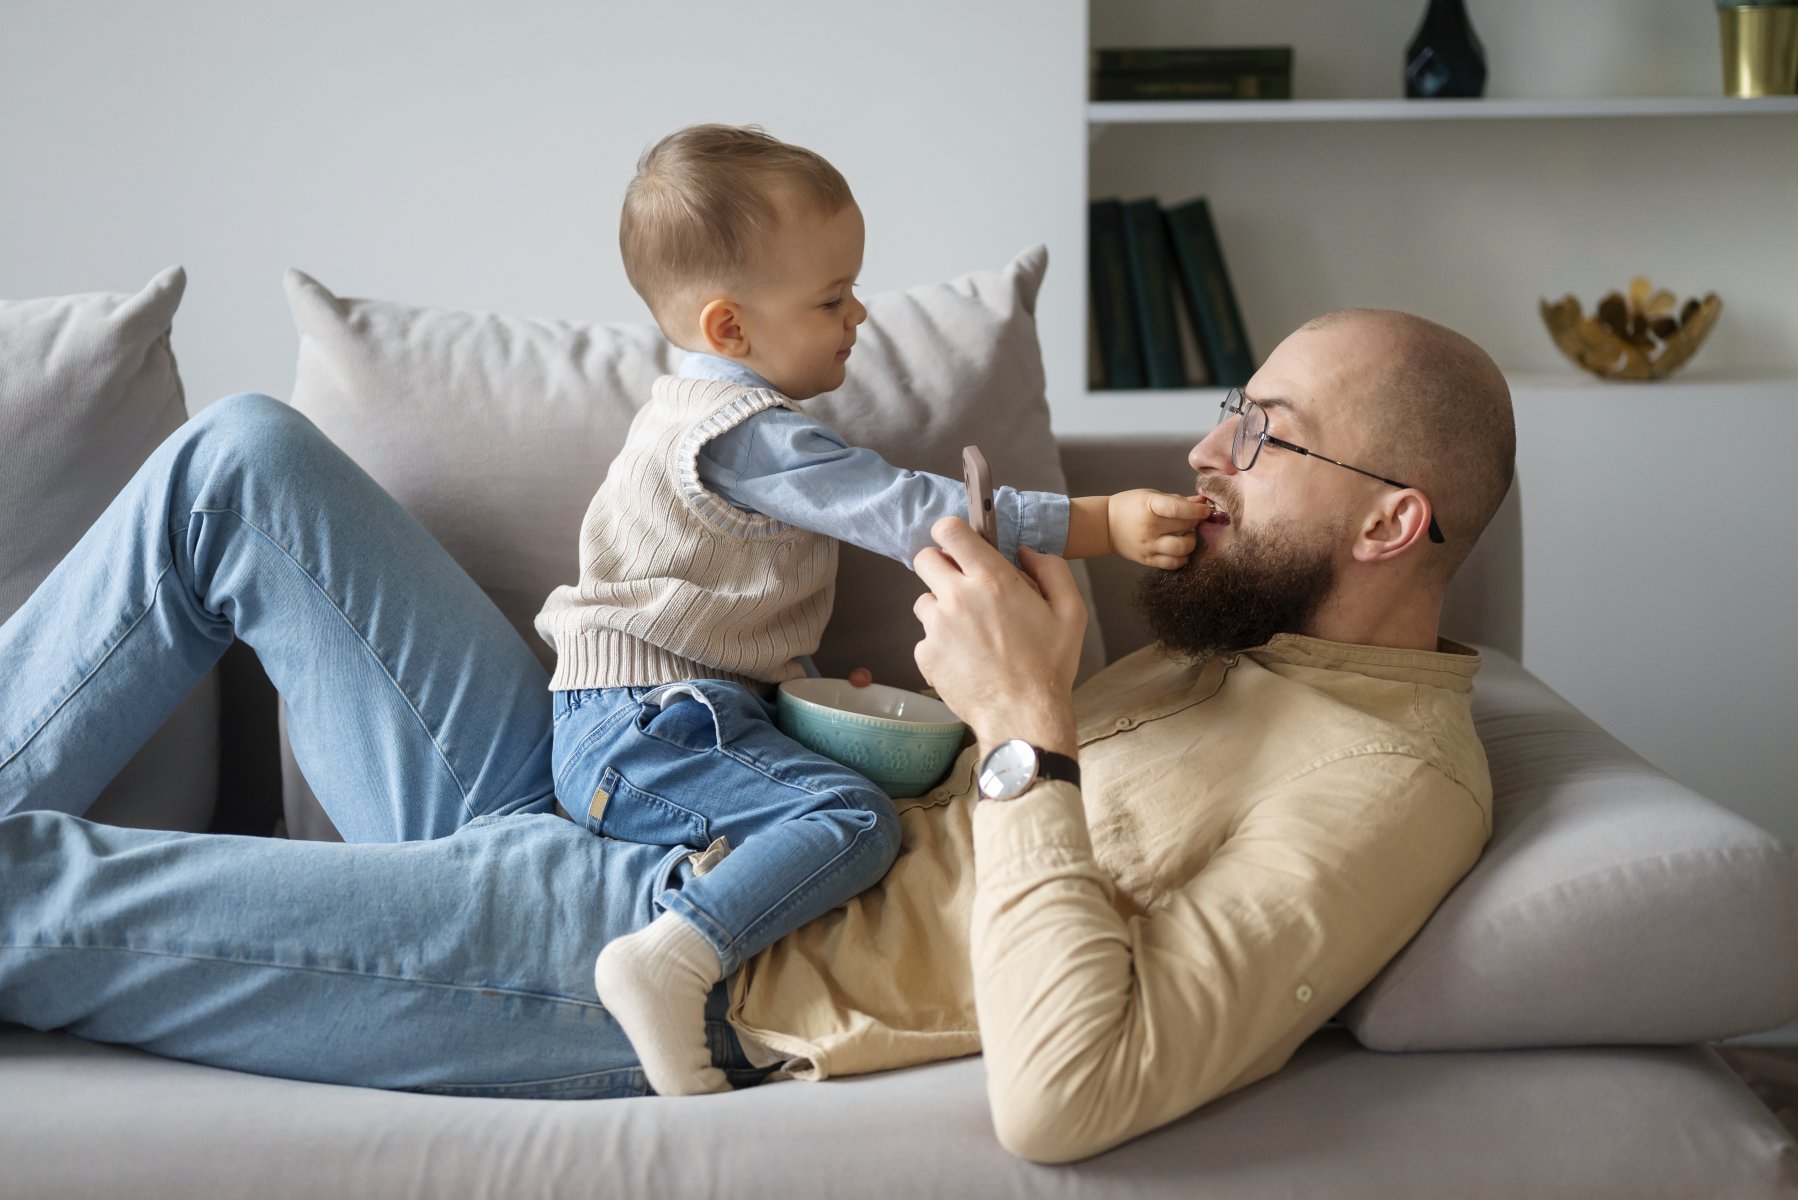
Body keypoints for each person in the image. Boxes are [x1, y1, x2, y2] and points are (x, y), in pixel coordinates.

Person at [0, 302, 1514, 1165]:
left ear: (1392, 519)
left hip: (674, 947)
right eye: (1227, 413)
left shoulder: (1389, 782)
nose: (1206, 453)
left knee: (34, 885)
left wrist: (1025, 723)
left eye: (1262, 431)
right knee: (240, 463)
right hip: (647, 779)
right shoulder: (1246, 641)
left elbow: (1070, 1093)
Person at [540, 123, 1210, 1095]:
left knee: (894, 776)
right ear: (729, 329)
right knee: (855, 822)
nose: (859, 314)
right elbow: (918, 514)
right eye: (830, 297)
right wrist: (1099, 521)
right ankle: (673, 956)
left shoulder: (726, 421)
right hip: (643, 730)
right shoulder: (742, 437)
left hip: (676, 717)